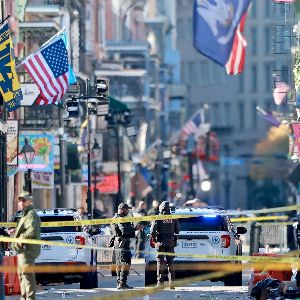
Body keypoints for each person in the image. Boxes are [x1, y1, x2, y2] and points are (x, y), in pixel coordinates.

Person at [12, 193, 41, 300]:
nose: (21, 203)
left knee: (27, 276)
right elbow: (27, 228)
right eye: (20, 201)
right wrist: (15, 232)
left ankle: (29, 298)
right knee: (22, 275)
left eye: (23, 201)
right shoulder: (26, 214)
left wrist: (20, 238)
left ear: (28, 202)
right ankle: (25, 297)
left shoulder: (31, 214)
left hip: (27, 249)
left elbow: (32, 230)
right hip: (23, 250)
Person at [111, 203, 141, 289]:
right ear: (122, 209)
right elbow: (123, 231)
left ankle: (119, 283)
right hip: (122, 243)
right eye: (127, 209)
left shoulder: (115, 218)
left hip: (118, 243)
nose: (128, 211)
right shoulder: (121, 219)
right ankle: (122, 283)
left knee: (119, 263)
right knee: (126, 263)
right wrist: (135, 229)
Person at [150, 201, 180, 289]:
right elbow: (177, 231)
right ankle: (172, 284)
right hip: (170, 243)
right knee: (170, 262)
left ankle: (160, 283)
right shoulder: (174, 218)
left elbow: (152, 231)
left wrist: (155, 239)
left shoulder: (158, 218)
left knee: (160, 262)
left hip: (160, 243)